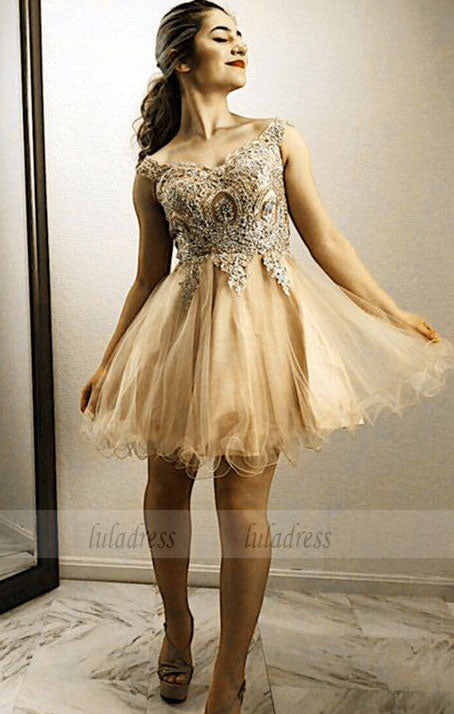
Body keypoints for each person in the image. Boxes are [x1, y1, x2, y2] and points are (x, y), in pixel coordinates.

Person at [79, 1, 454, 711]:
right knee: (165, 486)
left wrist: (391, 311)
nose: (240, 45)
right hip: (182, 338)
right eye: (222, 35)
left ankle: (230, 673)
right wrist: (109, 361)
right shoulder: (155, 170)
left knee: (241, 501)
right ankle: (177, 626)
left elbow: (326, 239)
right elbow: (147, 277)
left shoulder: (277, 136)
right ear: (182, 60)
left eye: (241, 34)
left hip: (262, 336)